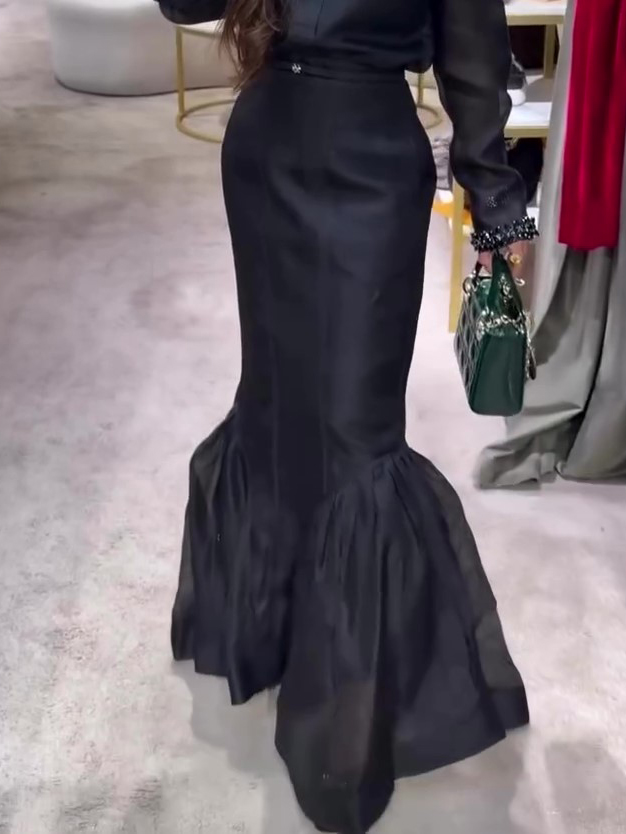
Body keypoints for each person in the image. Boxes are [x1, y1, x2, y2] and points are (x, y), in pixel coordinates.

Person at [156, 0, 537, 831]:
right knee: (274, 404)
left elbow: (473, 58)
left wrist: (496, 202)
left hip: (370, 161)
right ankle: (276, 635)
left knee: (357, 431)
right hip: (266, 147)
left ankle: (346, 705)